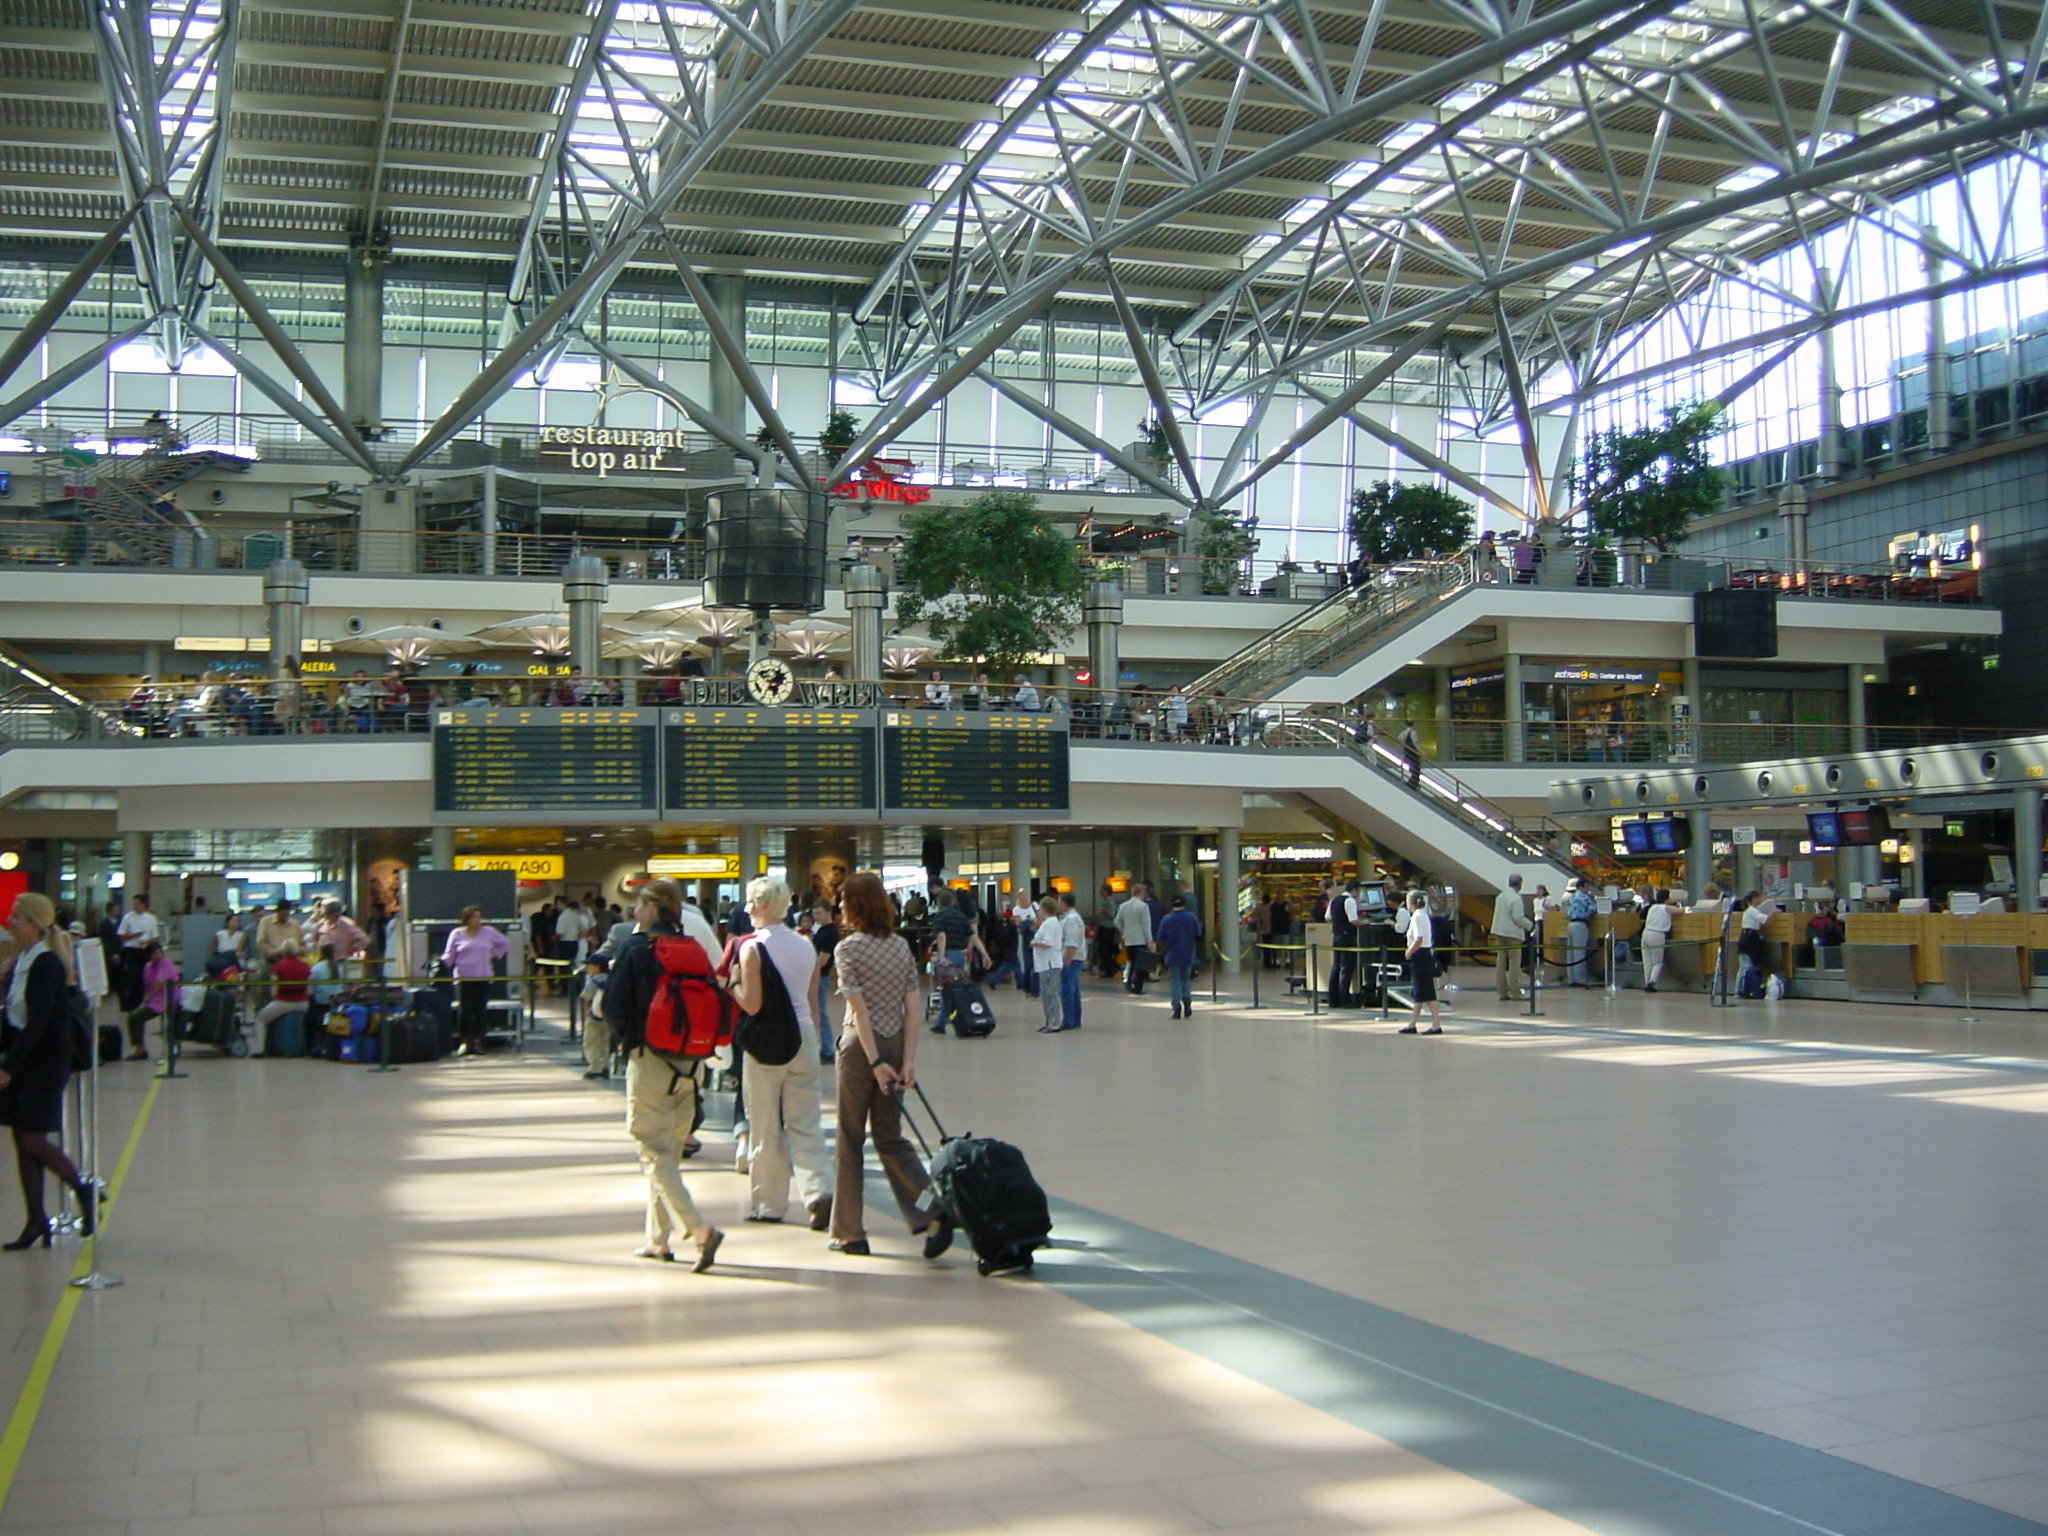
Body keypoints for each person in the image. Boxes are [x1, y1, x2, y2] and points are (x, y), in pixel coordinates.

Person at [829, 871, 953, 1259]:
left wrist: (875, 1060)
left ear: (853, 905)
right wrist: (906, 1061)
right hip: (898, 1042)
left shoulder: (847, 950)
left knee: (850, 1138)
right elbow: (913, 1007)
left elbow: (858, 1011)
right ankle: (932, 1212)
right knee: (890, 1135)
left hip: (860, 1049)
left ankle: (849, 1232)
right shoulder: (900, 946)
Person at [604, 880, 724, 1271]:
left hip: (651, 1060)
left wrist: (626, 1041)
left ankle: (699, 1229)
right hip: (692, 1064)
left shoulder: (636, 949)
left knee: (651, 1150)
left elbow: (613, 1006)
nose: (634, 910)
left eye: (639, 904)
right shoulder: (693, 950)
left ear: (654, 909)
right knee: (669, 1151)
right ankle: (658, 1240)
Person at [728, 876, 832, 1229]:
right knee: (806, 1122)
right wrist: (814, 1041)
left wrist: (733, 985)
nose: (746, 909)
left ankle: (769, 1204)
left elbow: (753, 1004)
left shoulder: (752, 948)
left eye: (751, 902)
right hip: (803, 1035)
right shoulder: (806, 944)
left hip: (766, 1041)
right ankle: (818, 1192)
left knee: (766, 1125)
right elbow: (811, 1001)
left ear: (766, 905)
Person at [0, 894, 97, 1250]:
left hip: (43, 1061)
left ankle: (82, 1190)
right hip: (23, 1055)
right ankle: (35, 1221)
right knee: (21, 1140)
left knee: (32, 1139)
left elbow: (39, 1021)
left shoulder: (47, 964)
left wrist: (8, 1067)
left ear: (34, 924)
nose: (9, 922)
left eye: (16, 918)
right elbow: (13, 1016)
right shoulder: (21, 961)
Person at [441, 907, 508, 1056]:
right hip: (464, 978)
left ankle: (478, 1042)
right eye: (474, 917)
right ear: (467, 919)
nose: (477, 920)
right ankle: (464, 1042)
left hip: (483, 977)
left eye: (479, 917)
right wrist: (440, 964)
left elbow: (504, 943)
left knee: (480, 1011)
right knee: (465, 1012)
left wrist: (494, 954)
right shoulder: (457, 934)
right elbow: (450, 954)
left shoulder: (489, 932)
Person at [924, 889, 985, 1035]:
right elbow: (973, 936)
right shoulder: (960, 916)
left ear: (939, 902)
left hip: (949, 955)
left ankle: (945, 1022)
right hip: (960, 956)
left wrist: (941, 956)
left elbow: (942, 935)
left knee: (948, 990)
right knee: (953, 990)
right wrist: (985, 955)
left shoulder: (940, 916)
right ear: (953, 901)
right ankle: (942, 1023)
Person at [1396, 890, 1443, 1035]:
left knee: (1424, 991)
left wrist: (1409, 951)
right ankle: (1415, 1023)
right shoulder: (1423, 915)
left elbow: (1418, 938)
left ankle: (1433, 1025)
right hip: (1425, 954)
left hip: (1420, 955)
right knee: (1423, 992)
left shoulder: (1417, 917)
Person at [251, 941, 311, 1053]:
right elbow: (309, 990)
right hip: (302, 1003)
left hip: (284, 1002)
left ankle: (259, 1050)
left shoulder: (278, 966)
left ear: (283, 951)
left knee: (260, 1020)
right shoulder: (305, 966)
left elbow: (274, 992)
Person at [125, 939, 178, 1061]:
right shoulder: (148, 967)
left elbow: (159, 982)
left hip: (166, 998)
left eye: (159, 952)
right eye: (154, 953)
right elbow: (147, 985)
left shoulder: (166, 963)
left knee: (138, 1016)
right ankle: (140, 1047)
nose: (158, 955)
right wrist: (146, 999)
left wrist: (148, 997)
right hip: (154, 999)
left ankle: (169, 1047)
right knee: (133, 1016)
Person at [1157, 894, 1203, 1019]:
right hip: (1188, 953)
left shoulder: (1167, 919)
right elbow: (1198, 934)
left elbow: (1160, 937)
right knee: (1186, 978)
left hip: (1172, 954)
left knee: (1175, 980)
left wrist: (1164, 950)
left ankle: (1176, 1008)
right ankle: (1187, 1003)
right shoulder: (1191, 917)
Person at [114, 893, 160, 1013]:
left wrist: (146, 941)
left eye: (137, 904)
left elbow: (155, 937)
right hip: (131, 949)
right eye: (134, 904)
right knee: (131, 976)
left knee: (142, 977)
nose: (135, 906)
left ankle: (139, 1002)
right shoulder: (128, 917)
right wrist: (134, 935)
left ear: (144, 905)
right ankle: (129, 1003)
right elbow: (121, 935)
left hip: (144, 950)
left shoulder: (151, 919)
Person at [1490, 874, 1532, 1002]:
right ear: (1520, 884)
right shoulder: (1516, 898)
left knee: (1501, 962)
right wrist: (1530, 926)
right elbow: (1518, 917)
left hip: (1499, 931)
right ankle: (1515, 992)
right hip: (1512, 933)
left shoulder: (1501, 896)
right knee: (1514, 964)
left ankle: (1502, 991)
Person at [1029, 895, 1066, 1033]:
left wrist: (1034, 943)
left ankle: (1055, 1022)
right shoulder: (1050, 922)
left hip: (1049, 964)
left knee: (1051, 993)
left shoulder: (1050, 923)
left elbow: (1048, 943)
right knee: (1046, 994)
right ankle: (1050, 1020)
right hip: (1046, 964)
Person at [1115, 883, 1154, 992]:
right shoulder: (1143, 906)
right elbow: (1146, 925)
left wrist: (1124, 932)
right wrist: (1149, 940)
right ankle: (1138, 986)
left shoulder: (1123, 906)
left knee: (1132, 961)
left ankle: (1129, 980)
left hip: (1129, 939)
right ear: (1141, 893)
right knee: (1141, 964)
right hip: (1140, 938)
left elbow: (1117, 922)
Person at [1641, 888, 1679, 992]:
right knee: (1657, 962)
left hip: (1646, 933)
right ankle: (1652, 982)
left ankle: (1646, 981)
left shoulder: (1652, 907)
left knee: (1647, 961)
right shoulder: (1666, 908)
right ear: (1667, 898)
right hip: (1657, 934)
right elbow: (1681, 911)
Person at [1737, 891, 1775, 989]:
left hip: (1745, 939)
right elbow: (1765, 919)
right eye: (1759, 898)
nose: (1760, 900)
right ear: (1754, 898)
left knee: (1744, 967)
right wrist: (1773, 912)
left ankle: (1741, 989)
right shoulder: (1752, 911)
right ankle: (1740, 989)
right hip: (1749, 941)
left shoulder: (1750, 911)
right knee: (1746, 967)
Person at [1564, 879, 1596, 987]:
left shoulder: (1571, 897)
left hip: (1570, 924)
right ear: (1581, 887)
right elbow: (1593, 909)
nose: (1588, 890)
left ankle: (1571, 979)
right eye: (1587, 887)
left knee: (1571, 953)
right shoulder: (1584, 897)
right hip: (1581, 924)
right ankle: (1580, 979)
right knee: (1579, 952)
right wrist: (1593, 899)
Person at [1398, 719, 1422, 789]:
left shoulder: (1402, 733)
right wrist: (1421, 752)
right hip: (1413, 753)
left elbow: (1400, 741)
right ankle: (1413, 785)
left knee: (1411, 769)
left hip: (1406, 753)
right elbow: (1415, 743)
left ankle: (1410, 784)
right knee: (1416, 770)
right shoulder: (1413, 732)